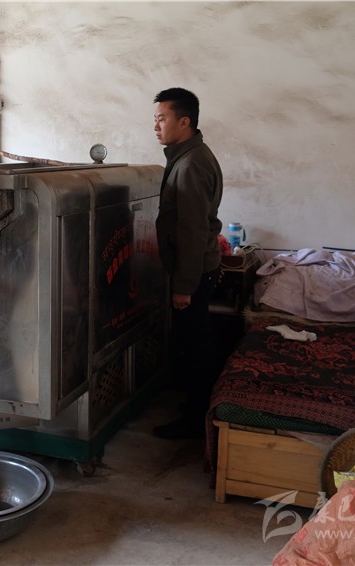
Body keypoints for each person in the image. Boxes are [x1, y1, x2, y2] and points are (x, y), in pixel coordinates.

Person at [151, 87, 223, 440]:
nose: (156, 126)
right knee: (193, 343)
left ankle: (195, 421)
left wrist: (183, 286)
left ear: (184, 121)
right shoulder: (186, 156)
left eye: (161, 119)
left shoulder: (192, 163)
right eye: (155, 119)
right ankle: (194, 410)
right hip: (194, 269)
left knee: (196, 347)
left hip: (193, 273)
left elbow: (192, 231)